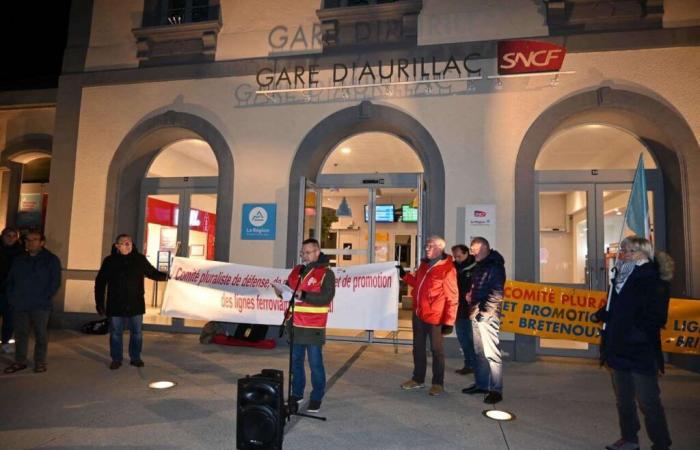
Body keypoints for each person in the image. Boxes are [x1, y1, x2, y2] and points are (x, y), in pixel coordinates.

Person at [592, 236, 673, 450]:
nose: (624, 254)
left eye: (629, 251)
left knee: (648, 401)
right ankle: (629, 439)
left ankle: (661, 443)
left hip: (639, 350)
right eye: (624, 250)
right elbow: (615, 306)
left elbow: (656, 316)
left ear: (643, 253)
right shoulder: (621, 276)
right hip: (618, 348)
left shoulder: (653, 278)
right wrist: (601, 315)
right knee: (624, 399)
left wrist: (633, 330)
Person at [278, 238, 335, 414]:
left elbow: (326, 298)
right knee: (295, 363)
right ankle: (297, 393)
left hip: (313, 327)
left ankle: (317, 396)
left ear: (317, 252)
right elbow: (288, 290)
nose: (304, 256)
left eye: (308, 252)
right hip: (295, 325)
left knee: (315, 363)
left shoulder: (326, 273)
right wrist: (280, 291)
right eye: (303, 252)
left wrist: (304, 295)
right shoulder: (297, 271)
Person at [94, 234, 168, 370]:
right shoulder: (110, 261)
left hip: (135, 303)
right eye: (124, 242)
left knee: (137, 333)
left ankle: (135, 357)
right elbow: (100, 282)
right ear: (117, 246)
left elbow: (152, 273)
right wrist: (99, 302)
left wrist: (168, 277)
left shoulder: (139, 259)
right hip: (115, 303)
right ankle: (116, 359)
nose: (128, 244)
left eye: (129, 242)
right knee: (116, 333)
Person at [398, 236, 458, 396]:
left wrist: (449, 321)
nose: (426, 248)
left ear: (440, 247)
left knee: (436, 350)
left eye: (429, 245)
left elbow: (453, 297)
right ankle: (417, 379)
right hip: (418, 314)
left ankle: (438, 383)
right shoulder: (424, 265)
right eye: (426, 245)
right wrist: (404, 275)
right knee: (417, 348)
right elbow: (418, 283)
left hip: (436, 318)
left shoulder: (448, 269)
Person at [3, 230, 61, 374]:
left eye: (35, 239)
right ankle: (20, 361)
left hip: (40, 304)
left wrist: (45, 297)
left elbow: (55, 282)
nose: (31, 242)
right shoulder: (19, 259)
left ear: (42, 242)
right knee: (20, 334)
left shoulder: (51, 259)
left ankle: (40, 361)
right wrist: (12, 297)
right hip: (20, 303)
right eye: (28, 240)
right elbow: (10, 280)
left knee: (40, 334)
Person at [461, 237, 505, 404]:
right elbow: (479, 287)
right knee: (480, 353)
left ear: (485, 247)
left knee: (492, 354)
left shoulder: (495, 266)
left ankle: (496, 390)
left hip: (488, 316)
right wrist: (470, 296)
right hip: (477, 313)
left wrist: (484, 313)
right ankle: (481, 385)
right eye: (471, 250)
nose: (472, 253)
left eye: (475, 249)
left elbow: (496, 293)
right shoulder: (481, 265)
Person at [451, 244, 477, 375]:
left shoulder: (477, 266)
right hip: (458, 309)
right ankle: (469, 364)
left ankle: (478, 365)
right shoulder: (454, 266)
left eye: (459, 256)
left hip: (473, 310)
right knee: (463, 338)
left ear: (467, 253)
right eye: (455, 257)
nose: (457, 259)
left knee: (474, 339)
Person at [0, 227, 24, 353]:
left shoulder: (20, 253)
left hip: (11, 291)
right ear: (2, 236)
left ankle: (5, 342)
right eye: (8, 236)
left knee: (9, 319)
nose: (10, 238)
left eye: (13, 236)